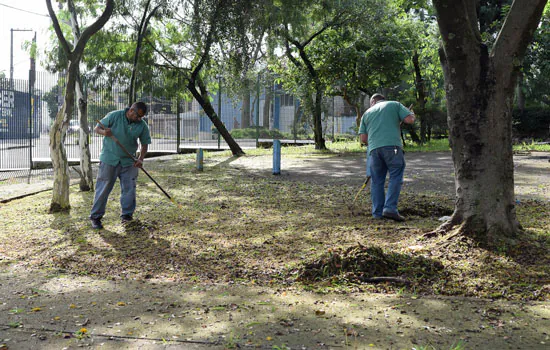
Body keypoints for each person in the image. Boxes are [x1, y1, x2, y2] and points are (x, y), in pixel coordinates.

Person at [89, 102, 151, 229]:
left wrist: (140, 159)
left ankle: (127, 217)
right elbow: (97, 129)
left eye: (141, 117)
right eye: (137, 116)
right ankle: (96, 217)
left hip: (129, 162)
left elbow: (145, 144)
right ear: (131, 111)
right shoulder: (114, 116)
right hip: (109, 159)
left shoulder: (142, 125)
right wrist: (104, 133)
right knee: (103, 188)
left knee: (129, 189)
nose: (138, 119)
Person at [358, 93, 415, 222]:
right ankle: (389, 208)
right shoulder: (394, 104)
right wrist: (412, 114)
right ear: (383, 100)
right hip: (392, 147)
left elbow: (363, 139)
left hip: (374, 150)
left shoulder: (366, 113)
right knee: (395, 175)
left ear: (373, 102)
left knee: (377, 181)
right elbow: (409, 120)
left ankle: (377, 213)